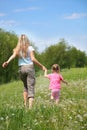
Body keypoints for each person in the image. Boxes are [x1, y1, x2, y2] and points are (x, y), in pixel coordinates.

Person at [2, 34, 46, 109]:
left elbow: (13, 56)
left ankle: (25, 104)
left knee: (25, 86)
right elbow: (33, 59)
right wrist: (41, 66)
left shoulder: (17, 49)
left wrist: (7, 62)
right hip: (29, 68)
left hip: (21, 69)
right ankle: (30, 108)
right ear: (27, 40)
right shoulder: (30, 48)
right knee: (31, 87)